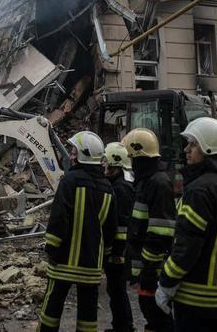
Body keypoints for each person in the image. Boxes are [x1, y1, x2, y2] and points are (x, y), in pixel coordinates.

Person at [155, 117, 217, 332]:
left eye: (193, 144)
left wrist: (166, 282)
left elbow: (186, 246)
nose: (187, 149)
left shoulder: (200, 190)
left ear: (209, 148)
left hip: (197, 301)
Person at [38, 131, 117, 332]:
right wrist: (105, 257)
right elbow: (110, 229)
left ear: (83, 155)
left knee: (52, 309)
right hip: (91, 265)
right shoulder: (108, 188)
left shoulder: (70, 181)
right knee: (88, 315)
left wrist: (52, 248)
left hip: (63, 262)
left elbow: (58, 218)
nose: (71, 155)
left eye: (74, 151)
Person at [123, 128, 175, 332]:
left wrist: (149, 269)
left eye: (132, 158)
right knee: (150, 313)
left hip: (153, 269)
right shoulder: (146, 182)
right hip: (146, 268)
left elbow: (160, 232)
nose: (131, 164)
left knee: (157, 315)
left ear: (140, 157)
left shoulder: (158, 183)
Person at [103, 142, 136, 332]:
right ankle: (121, 326)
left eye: (105, 162)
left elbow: (122, 225)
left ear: (114, 164)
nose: (103, 165)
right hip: (120, 249)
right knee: (115, 290)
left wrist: (116, 252)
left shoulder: (120, 189)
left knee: (117, 290)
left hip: (119, 251)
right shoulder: (120, 184)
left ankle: (124, 327)